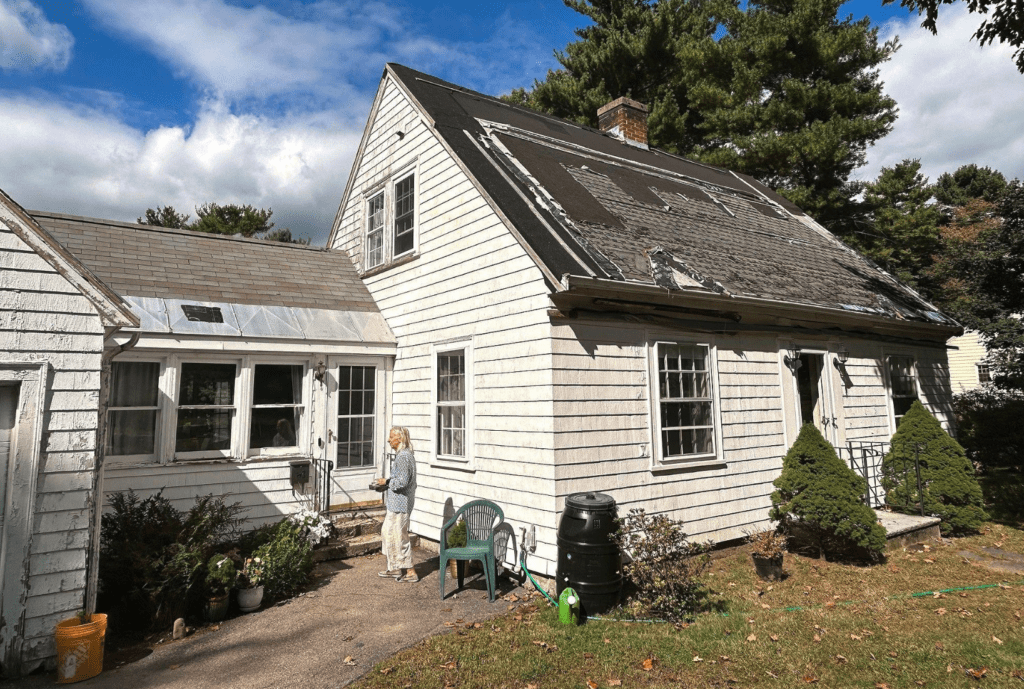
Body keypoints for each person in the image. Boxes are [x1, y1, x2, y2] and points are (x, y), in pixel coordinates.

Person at [378, 426, 418, 583]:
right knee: (388, 533)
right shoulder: (404, 455)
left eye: (391, 437)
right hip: (397, 503)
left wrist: (386, 482)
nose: (389, 440)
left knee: (398, 537)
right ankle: (394, 568)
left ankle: (410, 571)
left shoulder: (403, 457)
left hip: (400, 503)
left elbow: (401, 482)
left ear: (399, 439)